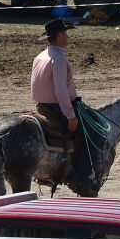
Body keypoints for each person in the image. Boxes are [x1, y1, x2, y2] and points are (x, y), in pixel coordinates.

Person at [31, 17, 81, 156]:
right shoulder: (58, 59)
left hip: (41, 106)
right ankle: (84, 175)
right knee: (90, 133)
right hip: (56, 108)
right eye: (65, 33)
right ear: (60, 36)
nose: (67, 36)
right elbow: (61, 90)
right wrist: (70, 115)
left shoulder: (40, 56)